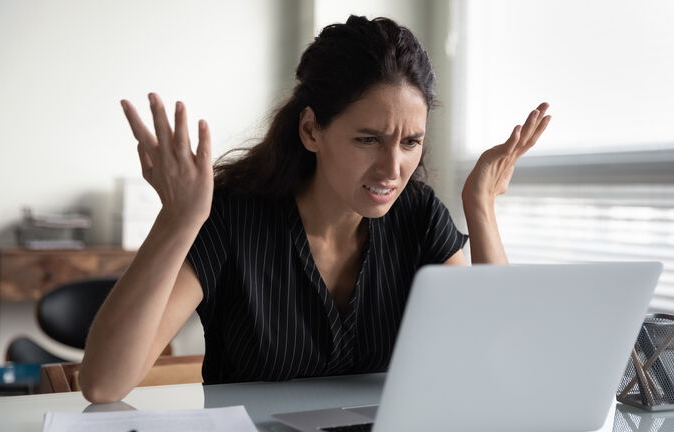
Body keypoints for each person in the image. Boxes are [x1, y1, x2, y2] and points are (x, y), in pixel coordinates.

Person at [79, 15, 550, 403]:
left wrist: (480, 205)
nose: (393, 168)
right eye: (368, 139)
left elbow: (500, 361)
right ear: (311, 131)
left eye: (410, 142)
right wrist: (178, 219)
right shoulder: (231, 217)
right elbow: (103, 385)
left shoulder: (418, 214)